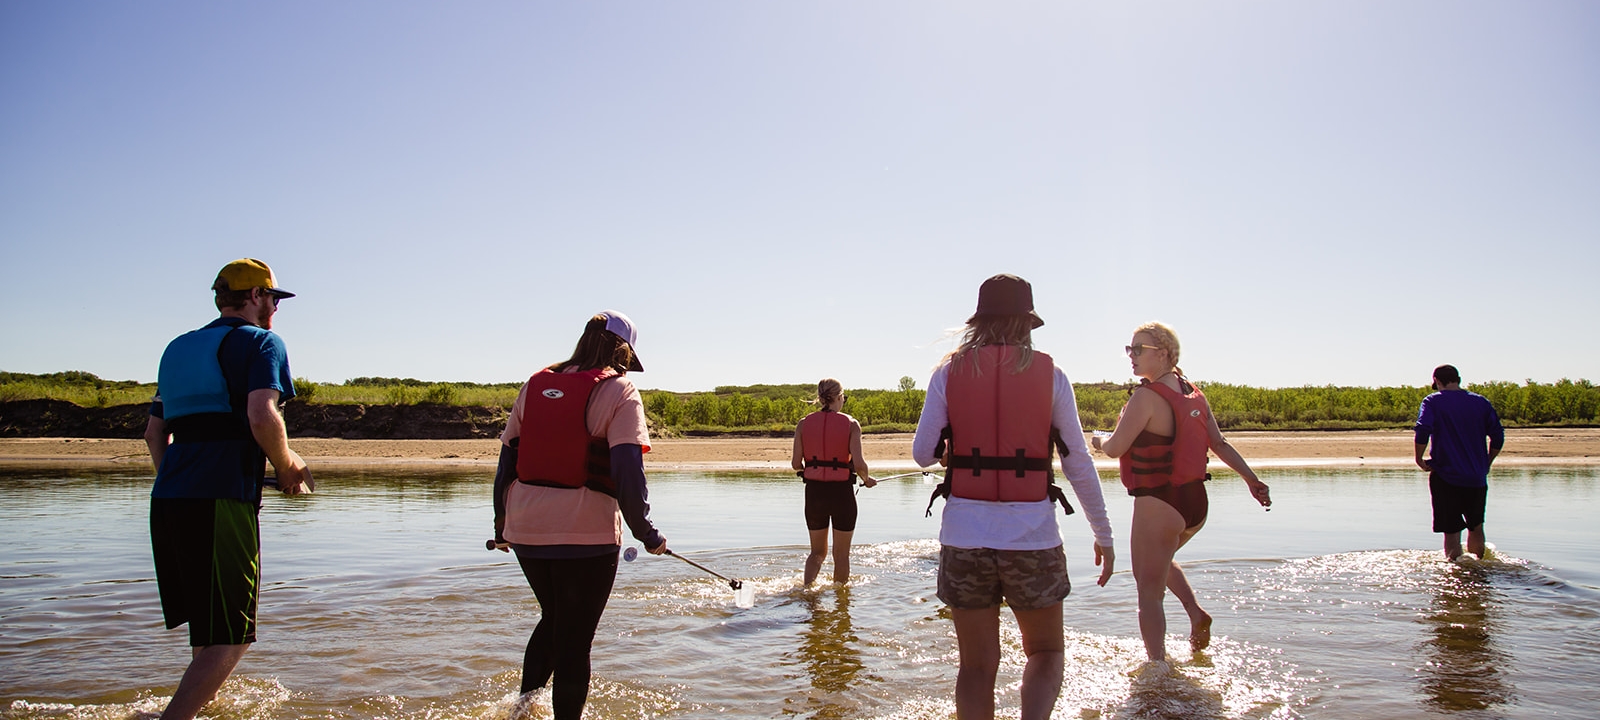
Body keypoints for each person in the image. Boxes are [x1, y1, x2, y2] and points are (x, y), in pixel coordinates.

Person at [912, 274, 1115, 720]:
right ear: (1027, 323)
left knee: (976, 667)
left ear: (979, 322)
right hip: (1032, 539)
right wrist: (1104, 533)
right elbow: (1077, 461)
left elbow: (922, 455)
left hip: (966, 537)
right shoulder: (1052, 375)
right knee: (1045, 652)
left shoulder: (948, 373)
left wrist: (950, 452)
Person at [143, 258, 313, 720]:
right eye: (274, 298)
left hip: (169, 496)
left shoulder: (178, 348)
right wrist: (287, 465)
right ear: (257, 296)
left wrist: (178, 482)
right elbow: (262, 414)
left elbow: (154, 435)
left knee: (208, 623)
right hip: (221, 499)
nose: (276, 308)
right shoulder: (263, 343)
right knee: (233, 634)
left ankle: (201, 707)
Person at [492, 310, 669, 720]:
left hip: (525, 530)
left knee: (553, 617)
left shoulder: (536, 383)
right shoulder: (621, 390)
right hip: (585, 535)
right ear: (622, 350)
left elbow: (506, 464)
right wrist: (647, 532)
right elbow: (627, 471)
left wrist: (502, 525)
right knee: (574, 640)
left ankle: (522, 710)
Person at [1091, 321, 1270, 666]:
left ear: (1163, 353)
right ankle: (1195, 613)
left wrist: (1097, 441)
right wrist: (1252, 481)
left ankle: (1157, 672)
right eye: (1130, 349)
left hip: (1159, 502)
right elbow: (1219, 443)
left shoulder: (1146, 396)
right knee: (1157, 563)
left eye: (1139, 349)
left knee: (1148, 591)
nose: (1132, 356)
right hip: (1194, 506)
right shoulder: (1193, 393)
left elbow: (1115, 448)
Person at [1414, 364, 1504, 561]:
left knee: (1452, 530)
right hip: (1476, 477)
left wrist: (1419, 458)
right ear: (1459, 379)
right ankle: (1478, 570)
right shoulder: (1481, 402)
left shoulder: (1433, 401)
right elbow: (1498, 436)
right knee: (1476, 526)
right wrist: (1487, 463)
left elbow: (1423, 430)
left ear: (1437, 381)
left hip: (1446, 475)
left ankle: (1455, 574)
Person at [791, 378, 877, 586]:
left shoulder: (803, 424)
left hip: (814, 494)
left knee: (817, 553)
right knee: (841, 556)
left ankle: (807, 593)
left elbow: (795, 464)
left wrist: (813, 470)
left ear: (820, 399)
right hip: (841, 494)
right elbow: (860, 465)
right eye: (843, 398)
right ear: (839, 397)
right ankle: (841, 604)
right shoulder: (851, 424)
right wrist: (867, 480)